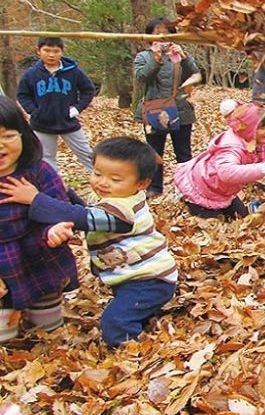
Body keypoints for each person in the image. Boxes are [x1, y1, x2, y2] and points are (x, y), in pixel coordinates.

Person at [0, 137, 177, 347]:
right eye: (97, 174)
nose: (102, 182)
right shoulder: (113, 198)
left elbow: (85, 218)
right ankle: (141, 317)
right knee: (128, 309)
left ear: (142, 184)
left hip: (149, 280)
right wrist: (60, 192)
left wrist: (37, 199)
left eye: (115, 179)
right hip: (132, 275)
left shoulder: (124, 211)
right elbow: (85, 211)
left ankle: (133, 350)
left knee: (115, 324)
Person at [0, 96, 78, 344]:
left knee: (49, 330)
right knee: (5, 337)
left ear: (23, 135)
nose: (0, 146)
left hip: (40, 258)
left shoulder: (39, 172)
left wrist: (55, 230)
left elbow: (61, 209)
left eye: (8, 136)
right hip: (3, 266)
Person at [174, 100, 265, 220]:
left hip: (225, 192)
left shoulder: (259, 143)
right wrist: (263, 168)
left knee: (244, 218)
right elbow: (226, 172)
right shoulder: (231, 146)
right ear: (248, 128)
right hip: (203, 189)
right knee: (215, 224)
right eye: (262, 127)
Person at [134, 17, 201, 198]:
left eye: (165, 32)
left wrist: (184, 58)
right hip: (154, 109)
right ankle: (154, 188)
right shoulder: (143, 57)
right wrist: (155, 59)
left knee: (183, 151)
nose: (161, 37)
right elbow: (142, 78)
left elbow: (195, 75)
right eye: (156, 33)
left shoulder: (179, 55)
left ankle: (186, 187)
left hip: (181, 108)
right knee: (155, 151)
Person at [16, 37, 96, 172]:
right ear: (38, 51)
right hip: (42, 124)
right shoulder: (31, 74)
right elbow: (23, 95)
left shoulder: (73, 71)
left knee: (87, 154)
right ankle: (54, 187)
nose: (51, 55)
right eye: (47, 50)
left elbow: (88, 90)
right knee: (46, 159)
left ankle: (102, 182)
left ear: (62, 52)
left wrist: (77, 108)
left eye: (56, 51)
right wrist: (34, 111)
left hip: (68, 122)